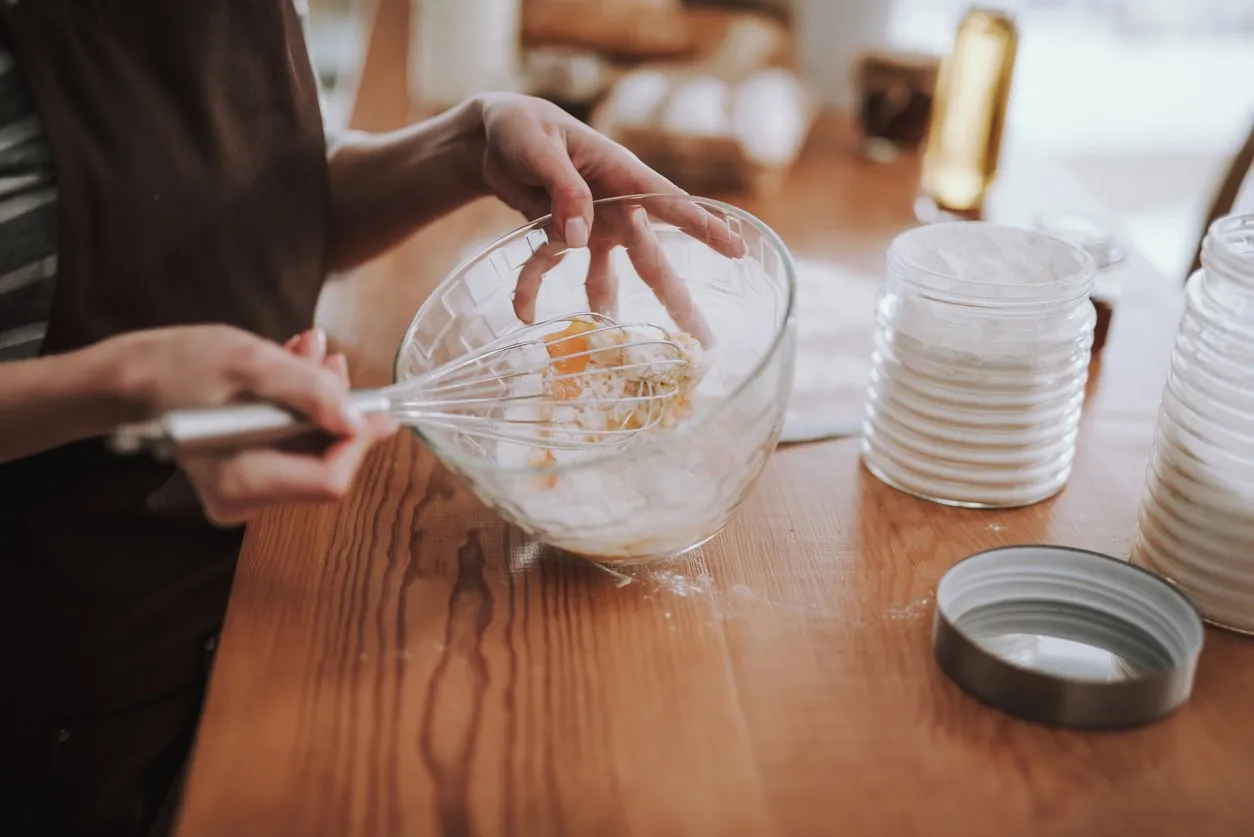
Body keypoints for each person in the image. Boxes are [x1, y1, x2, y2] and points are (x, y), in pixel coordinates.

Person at [0, 2, 728, 834]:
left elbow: (253, 195)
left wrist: (467, 142)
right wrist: (123, 381)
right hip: (70, 666)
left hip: (278, 581)